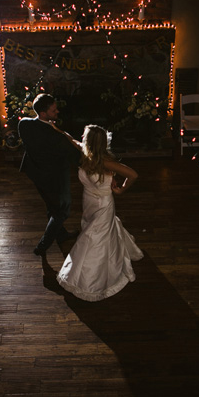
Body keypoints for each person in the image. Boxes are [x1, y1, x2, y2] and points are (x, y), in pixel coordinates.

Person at [56, 125, 144, 301]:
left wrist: (120, 191)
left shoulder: (105, 162)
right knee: (96, 232)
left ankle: (90, 280)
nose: (80, 137)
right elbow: (70, 138)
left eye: (84, 135)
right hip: (89, 201)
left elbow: (133, 175)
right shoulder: (86, 152)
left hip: (103, 205)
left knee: (93, 238)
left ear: (88, 141)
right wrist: (55, 129)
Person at [18, 93, 82, 256]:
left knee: (51, 205)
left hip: (36, 174)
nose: (57, 112)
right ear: (44, 114)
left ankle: (61, 235)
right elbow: (75, 155)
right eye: (54, 111)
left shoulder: (23, 124)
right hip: (56, 177)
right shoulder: (56, 137)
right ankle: (43, 245)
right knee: (62, 210)